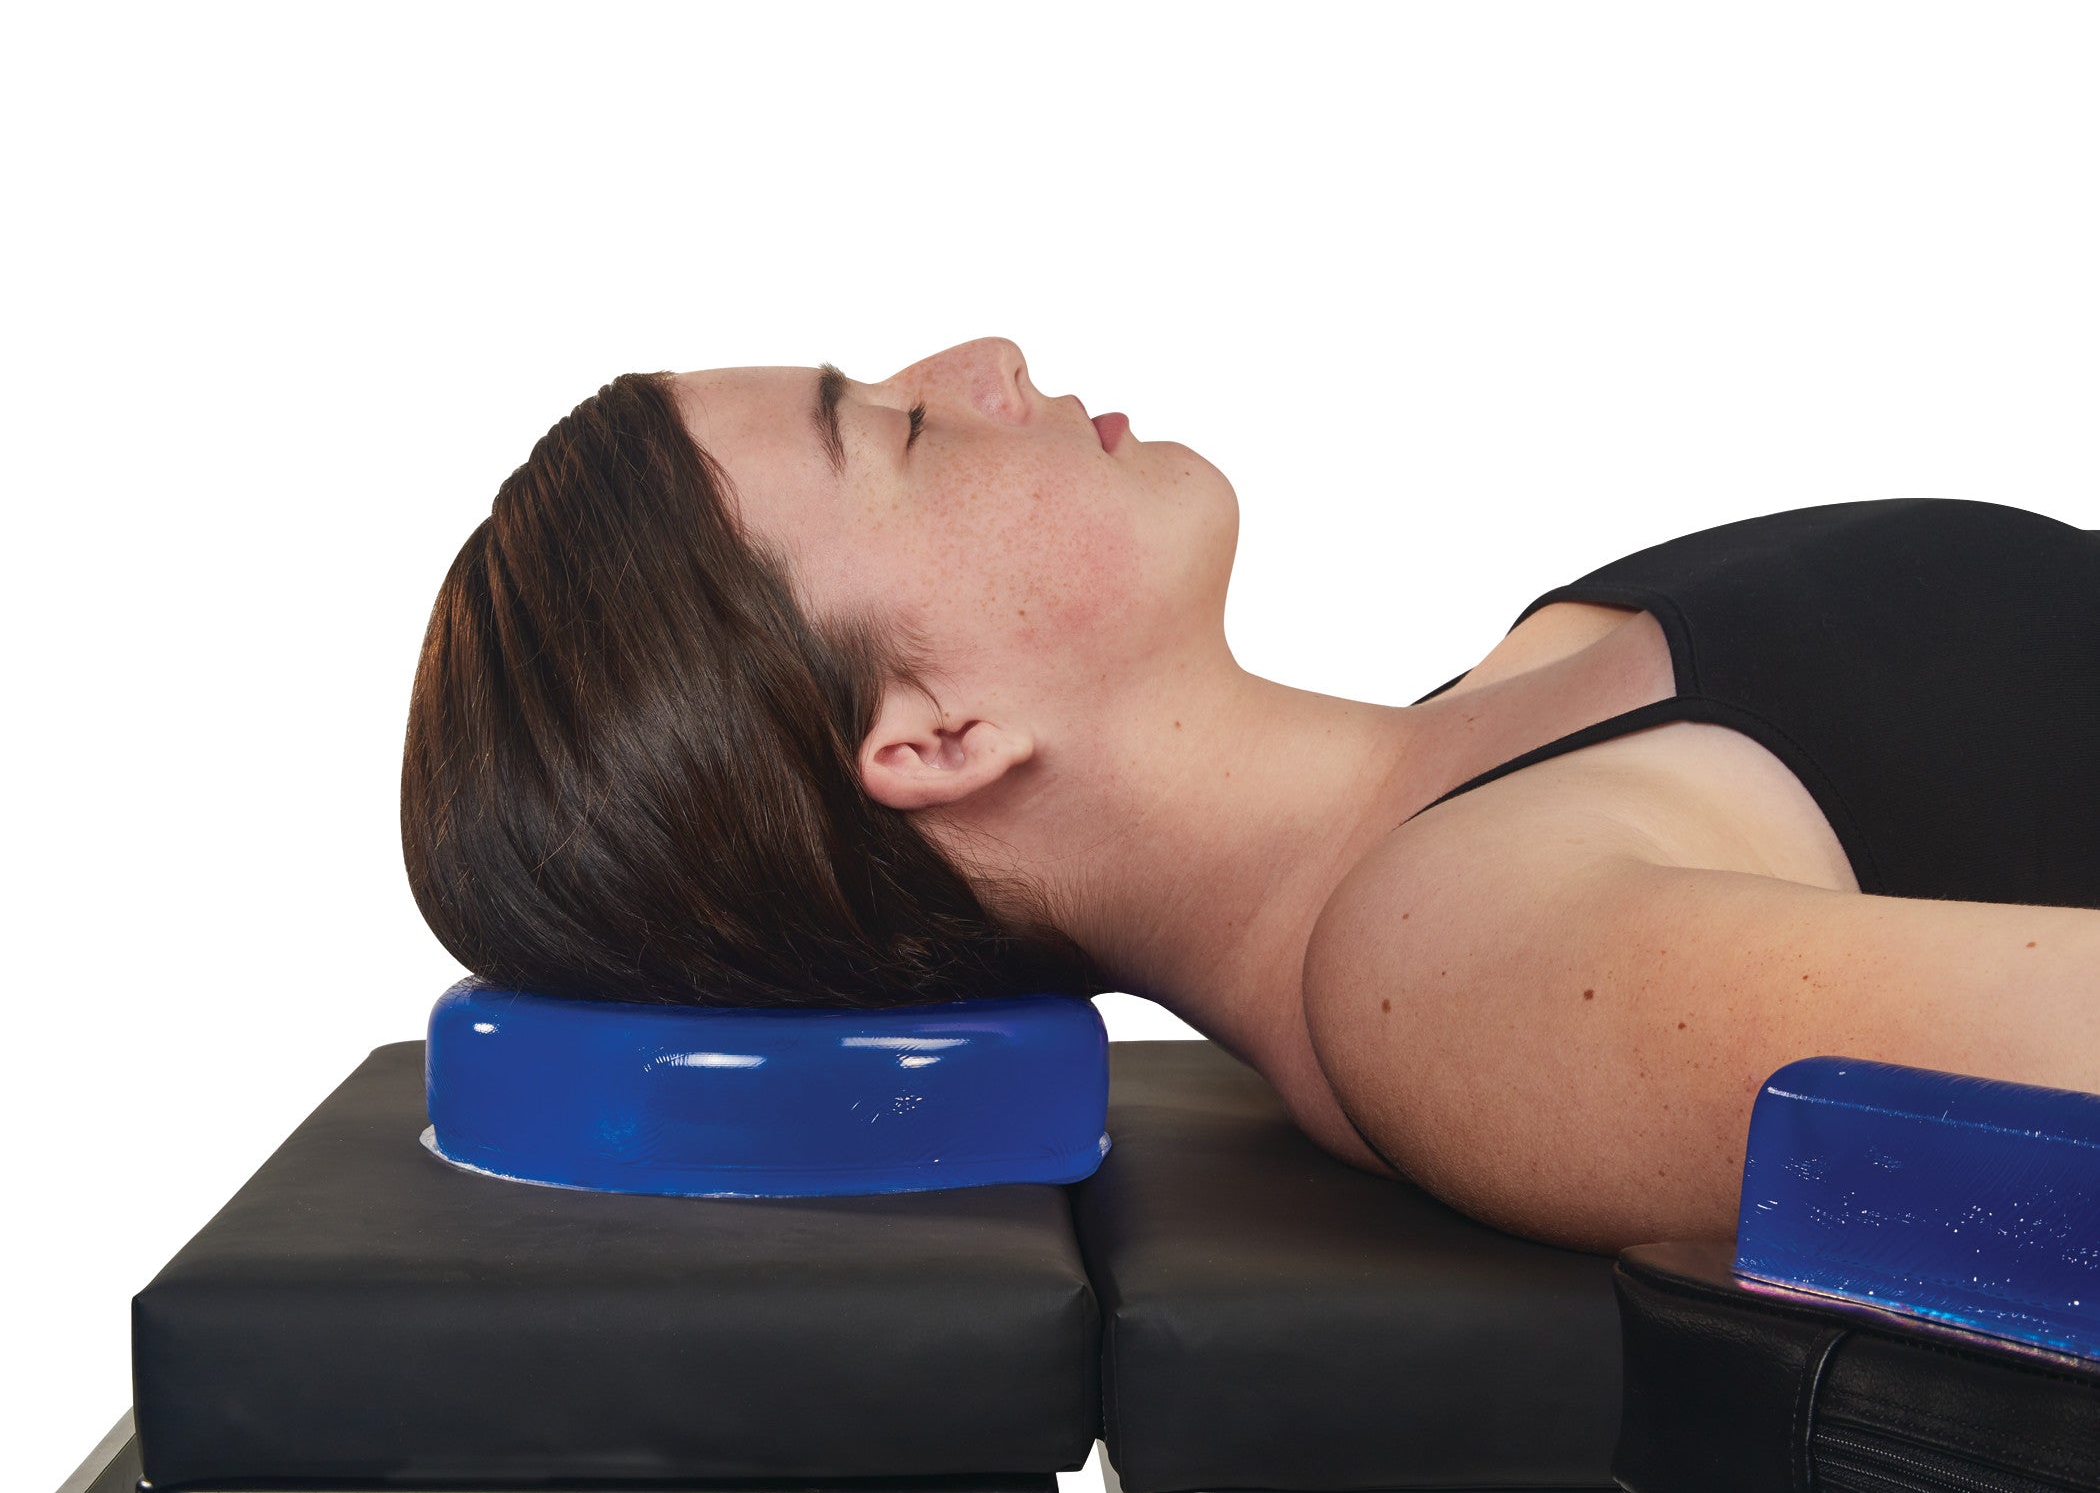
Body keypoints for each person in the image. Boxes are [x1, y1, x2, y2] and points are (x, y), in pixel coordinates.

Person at [402, 339, 2100, 1252]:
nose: (981, 358)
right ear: (935, 734)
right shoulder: (1452, 975)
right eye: (897, 431)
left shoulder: (1484, 730)